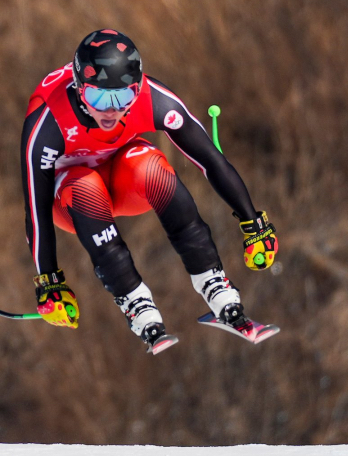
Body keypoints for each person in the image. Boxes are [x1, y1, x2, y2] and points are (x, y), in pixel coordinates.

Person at [20, 29, 277, 352]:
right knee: (83, 184)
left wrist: (254, 224)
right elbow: (36, 206)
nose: (111, 111)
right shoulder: (48, 119)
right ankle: (136, 303)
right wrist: (49, 281)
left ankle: (215, 284)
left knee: (151, 166)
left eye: (123, 98)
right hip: (69, 198)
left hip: (122, 179)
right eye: (99, 98)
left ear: (137, 88)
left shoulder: (153, 98)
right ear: (80, 88)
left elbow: (210, 159)